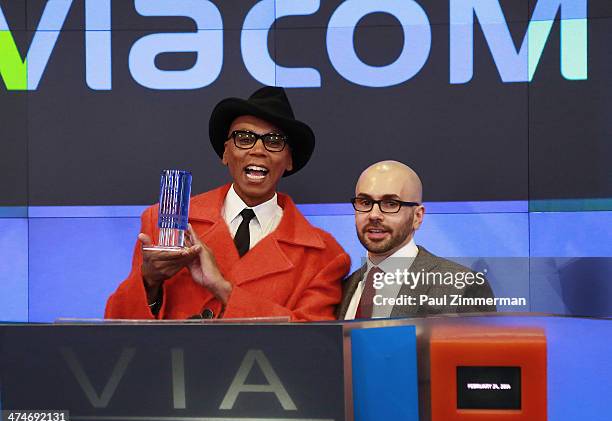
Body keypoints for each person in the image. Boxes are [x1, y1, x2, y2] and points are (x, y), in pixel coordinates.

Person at [105, 86, 350, 321]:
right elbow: (118, 334)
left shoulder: (324, 256)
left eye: (273, 141)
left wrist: (224, 290)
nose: (258, 150)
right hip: (177, 364)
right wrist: (149, 281)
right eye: (244, 138)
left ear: (289, 160)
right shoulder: (165, 221)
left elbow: (314, 344)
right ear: (225, 153)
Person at [337, 160, 495, 319]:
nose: (374, 215)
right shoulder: (341, 290)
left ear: (417, 217)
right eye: (365, 202)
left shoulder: (462, 286)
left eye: (391, 204)